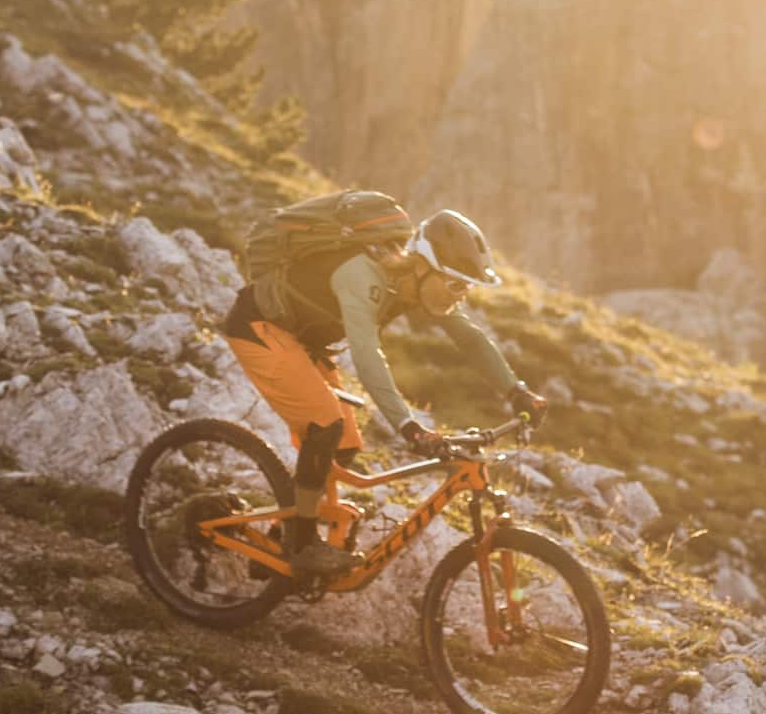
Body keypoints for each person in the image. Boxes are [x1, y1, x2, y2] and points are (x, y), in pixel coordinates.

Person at [221, 205, 545, 579]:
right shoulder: (362, 275)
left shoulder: (416, 284)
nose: (461, 295)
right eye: (456, 284)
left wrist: (516, 391)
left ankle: (280, 542)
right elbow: (366, 354)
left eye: (467, 287)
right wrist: (408, 425)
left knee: (344, 446)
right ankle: (303, 545)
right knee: (325, 425)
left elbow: (469, 339)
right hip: (260, 328)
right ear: (424, 265)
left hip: (302, 341)